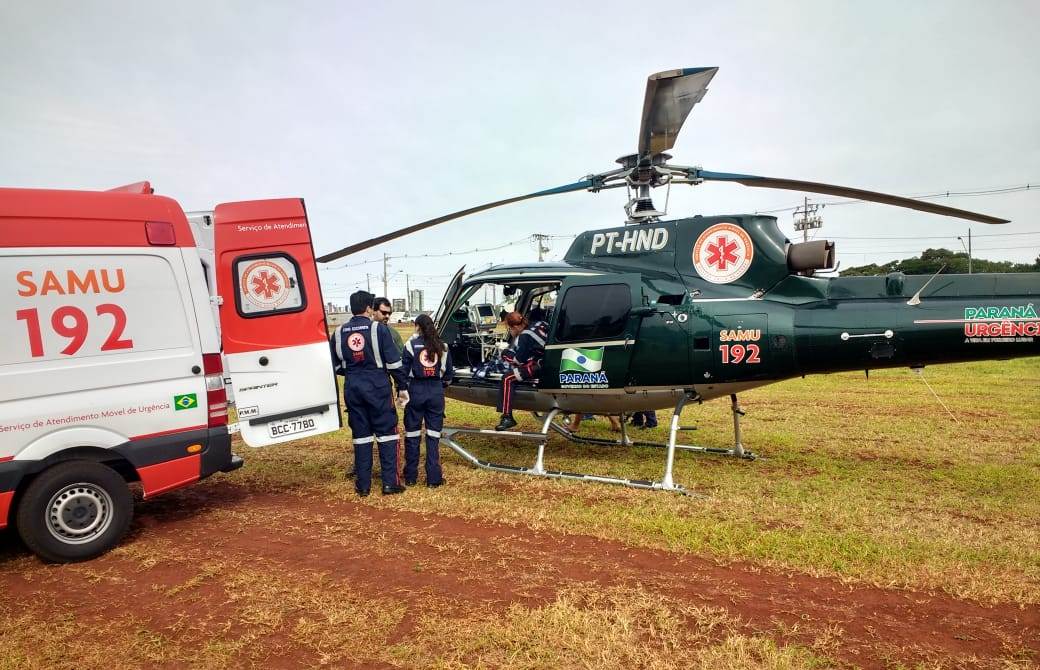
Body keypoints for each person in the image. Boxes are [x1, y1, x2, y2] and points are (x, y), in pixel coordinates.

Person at [331, 290, 409, 496]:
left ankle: (363, 485)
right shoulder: (378, 330)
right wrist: (402, 386)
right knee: (387, 434)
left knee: (361, 435)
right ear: (368, 308)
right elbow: (394, 362)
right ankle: (389, 483)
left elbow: (336, 365)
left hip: (352, 386)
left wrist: (353, 373)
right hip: (377, 386)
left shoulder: (339, 332)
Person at [400, 313, 452, 487]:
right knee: (433, 435)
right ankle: (433, 478)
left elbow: (403, 372)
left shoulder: (410, 345)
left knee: (412, 434)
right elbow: (448, 375)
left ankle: (410, 476)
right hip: (435, 391)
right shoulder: (442, 346)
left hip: (415, 390)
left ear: (417, 326)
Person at [495, 311, 548, 431]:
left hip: (541, 365)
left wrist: (505, 353)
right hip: (549, 359)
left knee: (507, 378)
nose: (511, 332)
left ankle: (507, 417)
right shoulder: (539, 323)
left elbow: (518, 361)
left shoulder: (524, 335)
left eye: (510, 329)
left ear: (514, 327)